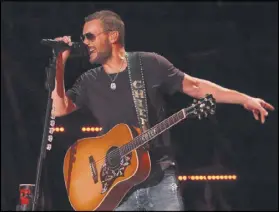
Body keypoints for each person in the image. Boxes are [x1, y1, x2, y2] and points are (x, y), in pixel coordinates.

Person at [52, 10, 274, 211]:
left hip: (159, 178)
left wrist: (244, 99)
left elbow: (196, 86)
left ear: (112, 36)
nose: (84, 42)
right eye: (83, 37)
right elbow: (58, 109)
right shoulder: (88, 81)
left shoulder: (149, 64)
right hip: (117, 187)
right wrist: (60, 65)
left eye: (90, 36)